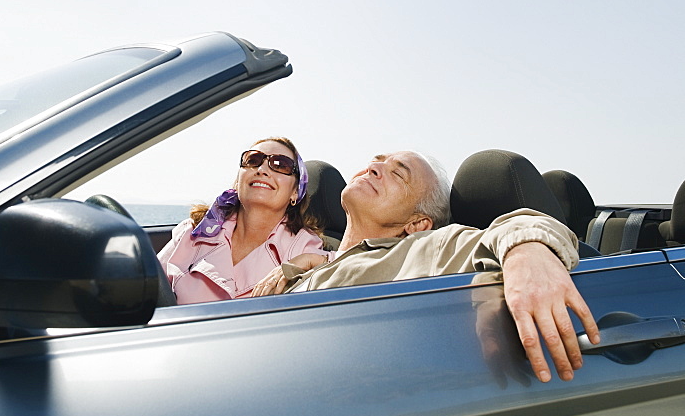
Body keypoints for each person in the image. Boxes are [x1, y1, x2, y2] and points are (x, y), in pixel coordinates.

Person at [252, 150, 600, 383]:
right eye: (377, 161)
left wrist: (527, 252)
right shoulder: (311, 251)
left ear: (418, 223)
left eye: (397, 174)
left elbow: (515, 228)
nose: (373, 167)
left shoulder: (423, 249)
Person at [158, 137, 328, 304]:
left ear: (295, 192)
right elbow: (146, 285)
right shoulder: (193, 232)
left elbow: (349, 267)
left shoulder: (303, 246)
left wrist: (310, 260)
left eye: (280, 165)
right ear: (239, 180)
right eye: (252, 160)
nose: (262, 169)